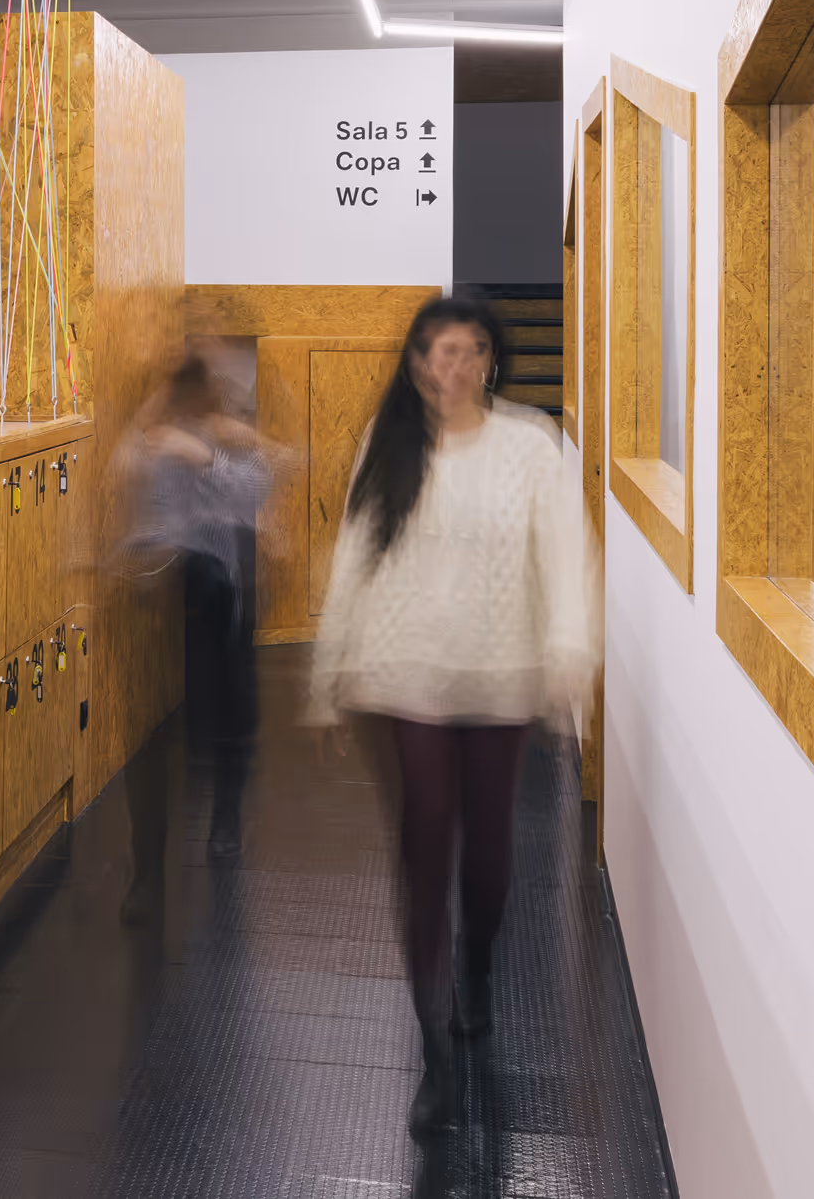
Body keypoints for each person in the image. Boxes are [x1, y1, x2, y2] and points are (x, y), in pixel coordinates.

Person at [305, 292, 587, 1135]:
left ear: (491, 360)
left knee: (491, 857)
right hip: (408, 673)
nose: (449, 367)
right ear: (416, 362)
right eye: (435, 352)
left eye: (466, 351)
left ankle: (477, 962)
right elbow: (355, 553)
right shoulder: (389, 444)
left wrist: (569, 647)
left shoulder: (531, 446)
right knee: (425, 836)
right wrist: (328, 670)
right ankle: (433, 1049)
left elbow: (567, 554)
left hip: (501, 674)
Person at [115, 346, 279, 920]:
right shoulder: (158, 442)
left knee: (232, 699)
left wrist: (207, 455)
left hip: (225, 575)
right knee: (172, 729)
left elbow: (256, 491)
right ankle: (149, 871)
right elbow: (146, 503)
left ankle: (226, 813)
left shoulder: (232, 437)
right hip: (183, 575)